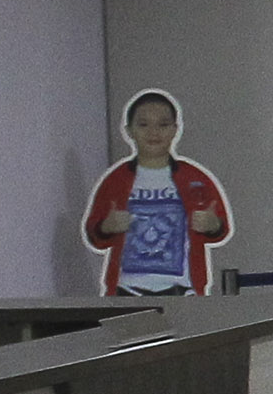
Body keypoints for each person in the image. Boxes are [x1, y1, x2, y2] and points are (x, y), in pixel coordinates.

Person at [85, 88, 231, 296]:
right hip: (127, 290)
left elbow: (220, 228)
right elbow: (94, 234)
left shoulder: (196, 179)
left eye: (163, 125)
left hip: (183, 290)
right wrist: (106, 227)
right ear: (129, 131)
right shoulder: (116, 180)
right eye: (143, 125)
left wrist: (212, 224)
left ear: (174, 129)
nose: (153, 133)